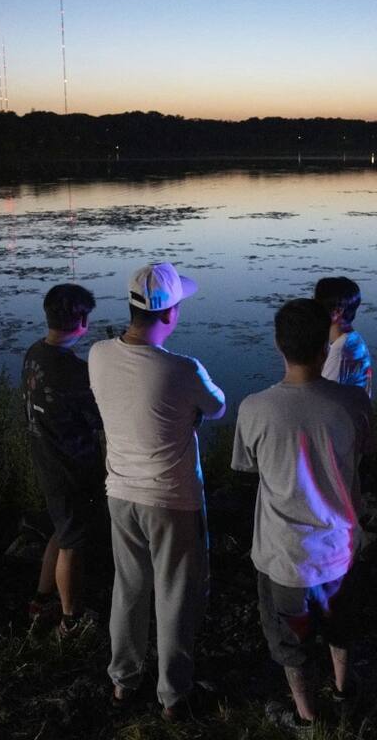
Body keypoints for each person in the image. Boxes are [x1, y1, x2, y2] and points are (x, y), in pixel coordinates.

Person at [88, 262, 226, 721]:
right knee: (176, 595)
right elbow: (218, 406)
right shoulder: (182, 368)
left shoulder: (98, 355)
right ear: (169, 314)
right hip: (171, 501)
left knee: (128, 589)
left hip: (120, 495)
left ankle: (123, 682)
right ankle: (174, 695)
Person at [233, 299, 373, 733]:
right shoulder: (352, 403)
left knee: (291, 642)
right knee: (340, 627)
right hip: (339, 550)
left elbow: (246, 467)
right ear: (323, 350)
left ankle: (306, 716)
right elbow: (366, 456)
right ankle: (344, 691)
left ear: (279, 346)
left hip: (283, 556)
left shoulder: (255, 408)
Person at [23, 283, 105, 637]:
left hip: (46, 461)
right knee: (72, 542)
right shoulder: (74, 370)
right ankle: (70, 620)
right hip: (70, 468)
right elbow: (100, 417)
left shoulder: (34, 353)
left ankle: (41, 600)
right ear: (82, 320)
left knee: (61, 529)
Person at [313, 277, 372, 396]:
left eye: (315, 303)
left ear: (336, 312)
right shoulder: (353, 340)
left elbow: (322, 400)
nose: (311, 308)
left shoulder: (340, 352)